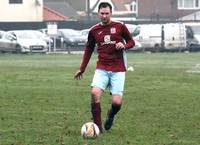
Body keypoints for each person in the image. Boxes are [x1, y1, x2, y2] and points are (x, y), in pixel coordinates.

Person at [74, 2, 135, 132]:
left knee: (117, 103)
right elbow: (89, 49)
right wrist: (82, 68)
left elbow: (131, 42)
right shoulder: (94, 30)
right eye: (102, 13)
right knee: (95, 93)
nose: (104, 16)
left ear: (111, 13)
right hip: (102, 68)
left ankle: (111, 115)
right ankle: (98, 127)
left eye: (107, 13)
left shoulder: (120, 26)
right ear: (98, 13)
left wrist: (124, 45)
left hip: (118, 69)